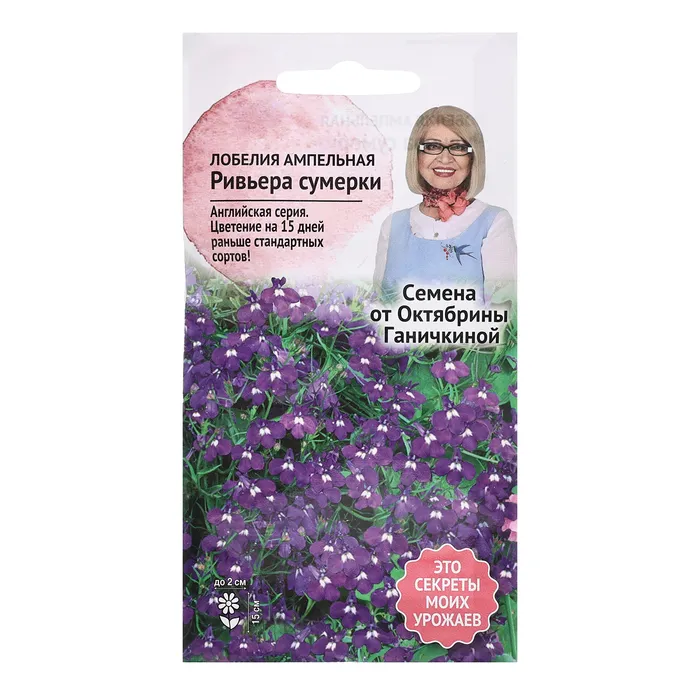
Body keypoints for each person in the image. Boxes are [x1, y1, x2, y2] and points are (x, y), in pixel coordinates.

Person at [374, 106, 516, 305]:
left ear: (472, 157)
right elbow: (377, 306)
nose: (445, 158)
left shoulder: (493, 222)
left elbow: (502, 311)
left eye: (458, 147)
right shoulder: (392, 225)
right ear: (417, 155)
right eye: (432, 146)